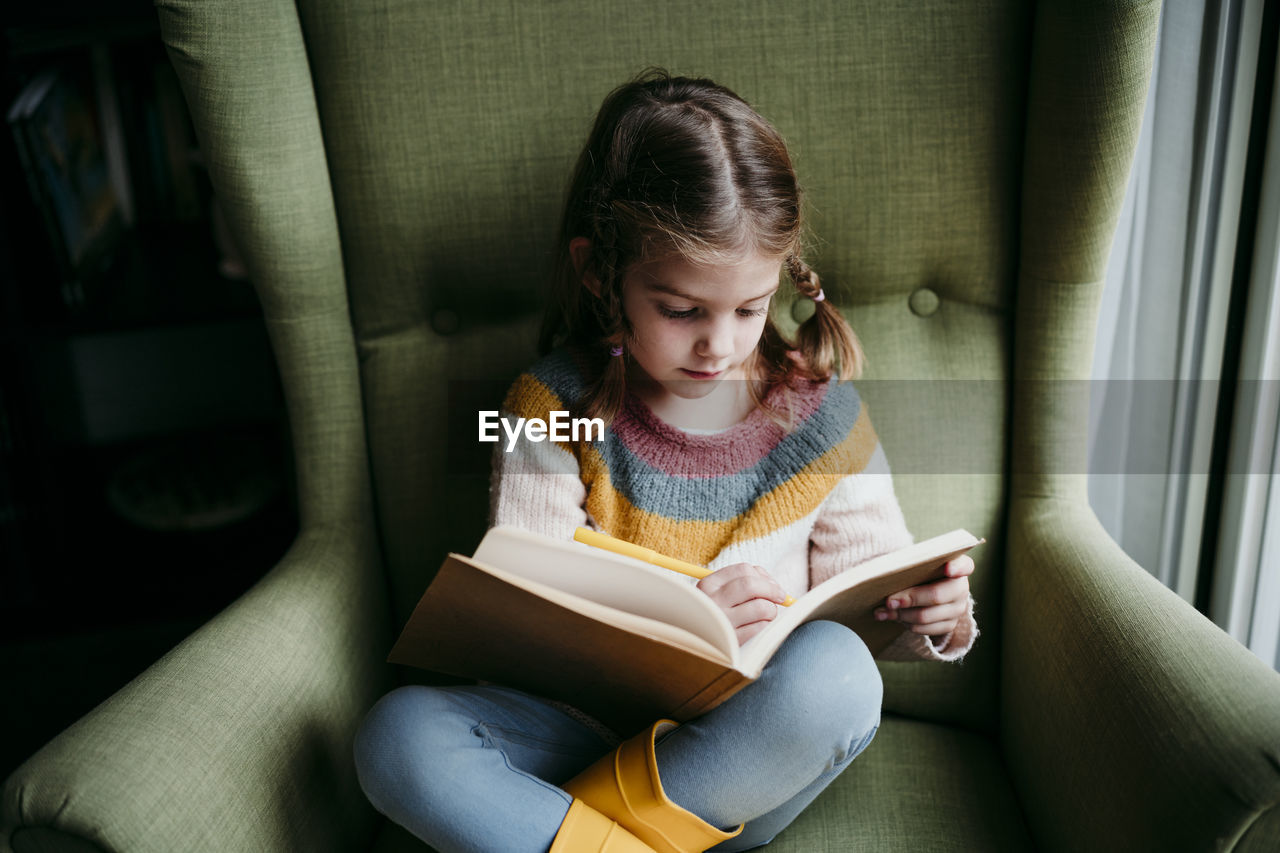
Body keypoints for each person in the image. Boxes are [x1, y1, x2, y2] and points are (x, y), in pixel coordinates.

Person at [354, 70, 978, 853]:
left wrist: (933, 619)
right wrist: (687, 606)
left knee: (844, 674)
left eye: (750, 309)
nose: (718, 343)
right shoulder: (546, 408)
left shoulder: (822, 418)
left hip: (734, 750)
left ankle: (572, 836)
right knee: (397, 736)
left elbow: (873, 593)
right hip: (569, 727)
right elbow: (527, 613)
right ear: (598, 274)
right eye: (681, 310)